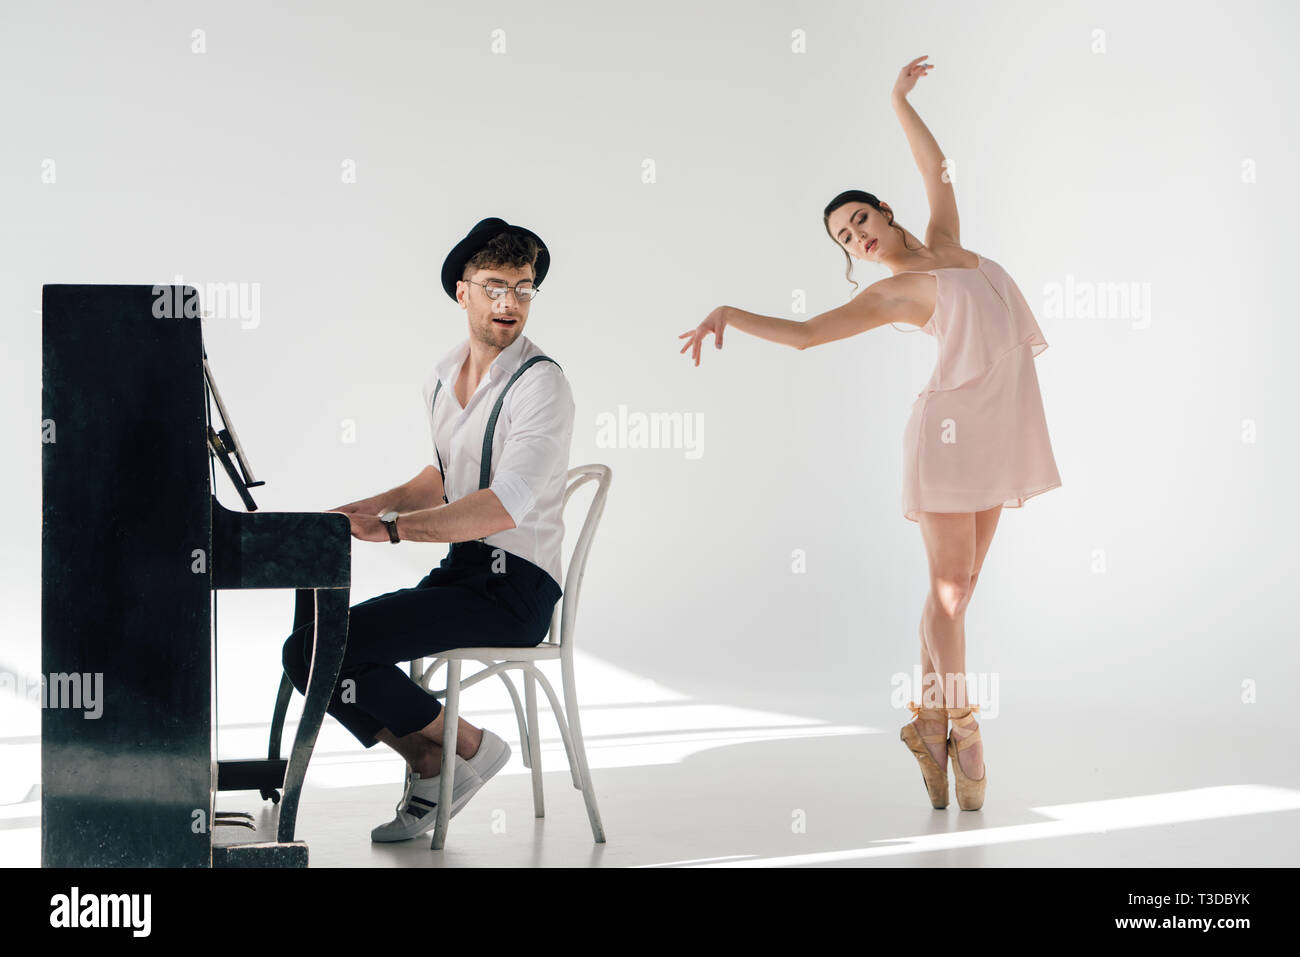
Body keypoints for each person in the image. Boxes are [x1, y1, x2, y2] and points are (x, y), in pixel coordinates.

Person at [677, 56, 1062, 812]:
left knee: (960, 589)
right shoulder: (891, 295)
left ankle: (925, 720)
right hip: (948, 439)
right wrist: (732, 312)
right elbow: (806, 333)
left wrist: (896, 101)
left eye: (859, 221)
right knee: (950, 595)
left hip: (996, 432)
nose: (857, 237)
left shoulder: (950, 240)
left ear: (885, 211)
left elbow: (937, 167)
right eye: (845, 239)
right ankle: (962, 722)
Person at [281, 217, 576, 841]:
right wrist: (366, 507)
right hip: (464, 574)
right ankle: (434, 757)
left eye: (523, 289)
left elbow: (504, 505)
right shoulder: (442, 378)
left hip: (514, 588)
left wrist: (394, 530)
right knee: (309, 646)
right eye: (495, 285)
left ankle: (464, 749)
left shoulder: (541, 383)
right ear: (461, 291)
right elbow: (443, 477)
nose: (509, 303)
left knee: (326, 648)